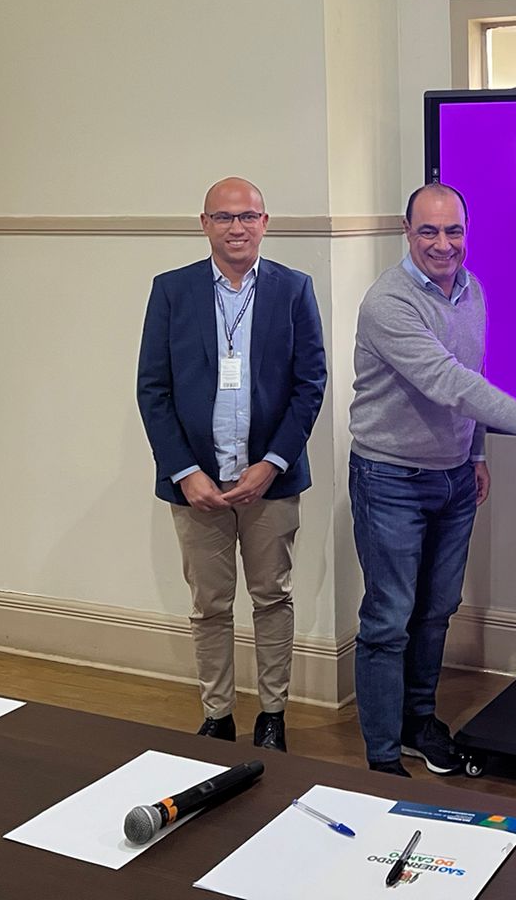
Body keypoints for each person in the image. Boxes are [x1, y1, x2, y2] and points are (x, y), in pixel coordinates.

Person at [349, 182, 516, 777]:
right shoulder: (388, 303)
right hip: (391, 478)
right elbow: (447, 381)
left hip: (455, 476)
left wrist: (478, 452)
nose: (443, 244)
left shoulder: (471, 289)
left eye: (454, 230)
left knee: (438, 609)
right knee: (389, 618)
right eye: (428, 231)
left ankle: (417, 723)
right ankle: (382, 755)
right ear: (406, 232)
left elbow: (474, 373)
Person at [137, 177, 327, 752]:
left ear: (265, 223)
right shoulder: (172, 291)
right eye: (223, 217)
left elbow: (310, 384)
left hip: (270, 481)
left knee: (272, 598)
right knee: (210, 605)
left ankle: (272, 715)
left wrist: (272, 464)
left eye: (247, 216)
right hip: (197, 485)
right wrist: (184, 472)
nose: (236, 227)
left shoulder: (293, 289)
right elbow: (153, 390)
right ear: (205, 224)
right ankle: (217, 715)